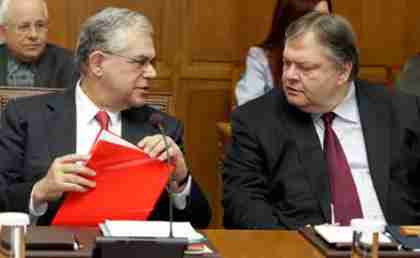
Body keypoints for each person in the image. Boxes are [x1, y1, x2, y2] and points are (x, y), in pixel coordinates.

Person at [0, 7, 211, 228]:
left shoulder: (162, 128)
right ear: (98, 63)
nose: (152, 72)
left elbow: (200, 223)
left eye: (152, 62)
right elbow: (3, 198)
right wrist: (39, 191)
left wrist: (181, 181)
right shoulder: (25, 117)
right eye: (140, 61)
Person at [223, 12, 420, 229]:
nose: (289, 75)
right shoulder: (256, 120)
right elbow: (242, 204)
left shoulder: (402, 112)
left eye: (304, 68)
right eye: (287, 63)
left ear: (343, 71)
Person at [235, 0, 332, 106]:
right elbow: (248, 110)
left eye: (327, 20)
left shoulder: (335, 56)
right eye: (315, 20)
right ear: (292, 22)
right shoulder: (261, 57)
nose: (325, 28)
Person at [0, 0, 77, 87]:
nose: (34, 35)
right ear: (3, 32)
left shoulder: (71, 64)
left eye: (40, 25)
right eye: (24, 27)